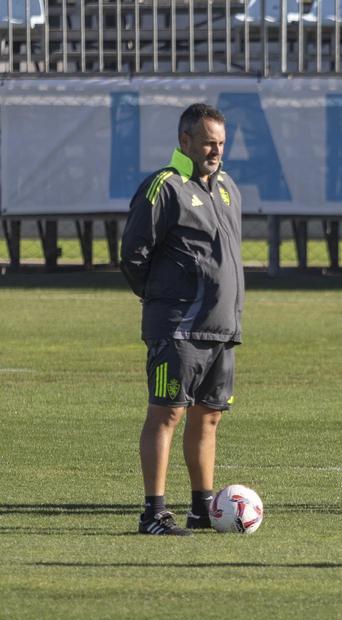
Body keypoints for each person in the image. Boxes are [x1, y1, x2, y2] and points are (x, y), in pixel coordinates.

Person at [120, 103, 244, 536]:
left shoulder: (227, 186)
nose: (216, 151)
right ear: (185, 140)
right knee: (167, 413)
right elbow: (133, 256)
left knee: (208, 417)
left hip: (221, 327)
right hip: (178, 327)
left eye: (221, 143)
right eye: (209, 142)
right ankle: (153, 513)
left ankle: (201, 508)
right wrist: (163, 301)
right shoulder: (164, 187)